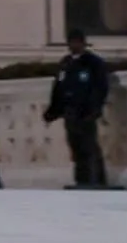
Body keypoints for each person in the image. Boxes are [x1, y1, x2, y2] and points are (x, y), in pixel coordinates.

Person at [49, 32, 122, 190]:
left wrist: (95, 108)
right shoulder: (66, 63)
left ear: (83, 43)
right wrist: (53, 110)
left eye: (76, 42)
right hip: (70, 110)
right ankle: (81, 179)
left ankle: (95, 179)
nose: (73, 46)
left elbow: (100, 87)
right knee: (75, 145)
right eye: (71, 42)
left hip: (86, 110)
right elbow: (58, 87)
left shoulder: (93, 63)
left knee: (89, 145)